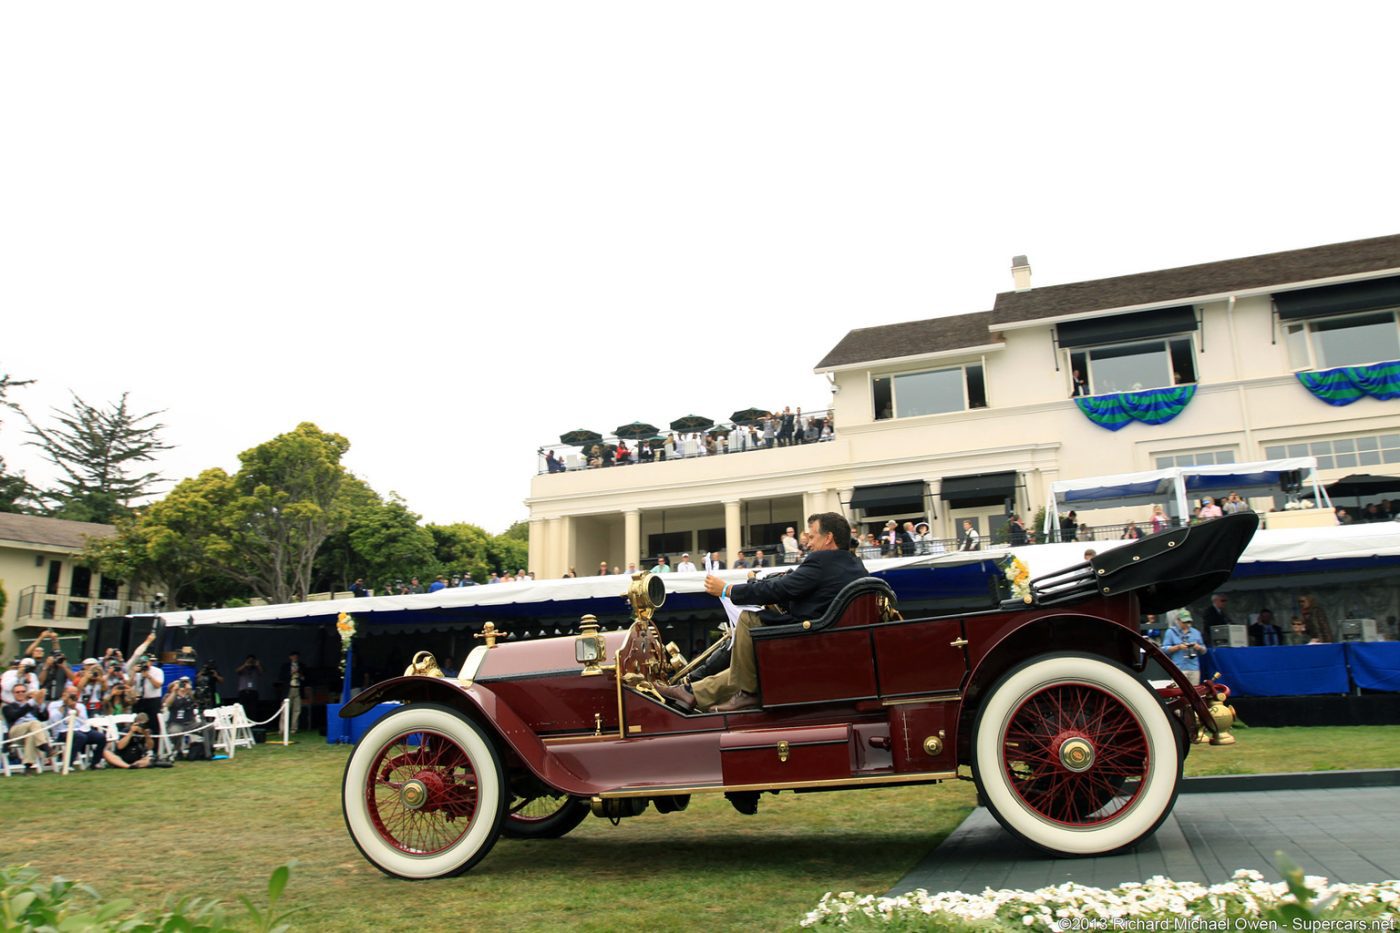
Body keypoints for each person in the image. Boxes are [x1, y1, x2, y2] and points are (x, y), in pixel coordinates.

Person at [656, 513, 867, 713]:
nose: (808, 543)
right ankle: (690, 692)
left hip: (810, 643)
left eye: (812, 537)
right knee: (747, 669)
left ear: (828, 538)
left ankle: (746, 693)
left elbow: (779, 589)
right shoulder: (855, 566)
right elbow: (798, 589)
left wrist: (726, 590)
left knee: (749, 619)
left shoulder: (821, 562)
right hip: (832, 641)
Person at [49, 684, 107, 768]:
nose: (73, 696)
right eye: (70, 693)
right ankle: (68, 764)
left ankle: (95, 763)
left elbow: (83, 721)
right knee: (80, 737)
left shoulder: (80, 706)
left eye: (75, 694)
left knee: (101, 737)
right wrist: (63, 705)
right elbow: (54, 720)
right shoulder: (54, 705)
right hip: (62, 731)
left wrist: (74, 707)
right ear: (64, 693)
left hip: (81, 729)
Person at [126, 634, 166, 749]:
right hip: (139, 700)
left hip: (153, 701)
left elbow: (158, 685)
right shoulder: (135, 670)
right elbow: (129, 685)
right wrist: (134, 673)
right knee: (138, 723)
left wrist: (147, 675)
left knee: (153, 724)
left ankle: (155, 748)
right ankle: (137, 746)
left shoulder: (157, 671)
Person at [3, 682, 51, 772]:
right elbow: (14, 716)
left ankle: (27, 767)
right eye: (18, 692)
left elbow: (44, 717)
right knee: (34, 723)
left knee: (32, 734)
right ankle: (44, 746)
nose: (21, 693)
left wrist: (40, 703)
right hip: (16, 731)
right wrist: (31, 702)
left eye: (23, 691)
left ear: (26, 692)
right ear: (13, 694)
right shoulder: (8, 707)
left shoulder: (33, 705)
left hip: (33, 731)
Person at [1161, 609, 1208, 685]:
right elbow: (1164, 649)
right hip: (1179, 668)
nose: (1187, 624)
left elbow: (1204, 650)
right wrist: (1178, 647)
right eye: (1184, 622)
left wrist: (1198, 647)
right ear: (1178, 621)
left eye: (1189, 622)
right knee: (1177, 692)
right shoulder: (1171, 632)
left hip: (1194, 668)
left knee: (1194, 692)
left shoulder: (1196, 632)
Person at [163, 677, 198, 756]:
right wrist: (175, 692)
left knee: (208, 727)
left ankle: (205, 750)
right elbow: (166, 704)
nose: (181, 687)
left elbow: (196, 702)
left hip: (190, 723)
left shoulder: (189, 695)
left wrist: (188, 691)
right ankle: (178, 750)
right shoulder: (169, 696)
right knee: (175, 731)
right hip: (175, 723)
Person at [280, 652, 309, 734]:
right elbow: (281, 677)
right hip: (288, 689)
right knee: (285, 709)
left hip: (298, 689)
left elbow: (305, 678)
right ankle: (282, 729)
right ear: (290, 657)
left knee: (297, 710)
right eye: (293, 656)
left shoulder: (302, 666)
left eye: (296, 656)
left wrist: (299, 675)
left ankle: (294, 728)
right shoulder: (285, 666)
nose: (295, 658)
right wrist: (291, 673)